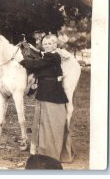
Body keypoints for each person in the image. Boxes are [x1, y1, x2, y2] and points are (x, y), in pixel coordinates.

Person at [19, 34, 74, 163]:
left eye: (50, 43)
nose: (47, 45)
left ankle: (51, 154)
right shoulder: (49, 56)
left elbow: (37, 64)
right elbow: (41, 67)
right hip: (46, 92)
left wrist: (21, 61)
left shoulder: (53, 56)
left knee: (52, 123)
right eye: (45, 43)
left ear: (55, 45)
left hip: (52, 93)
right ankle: (45, 151)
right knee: (44, 123)